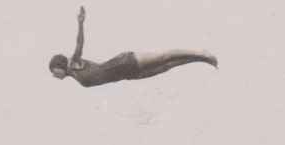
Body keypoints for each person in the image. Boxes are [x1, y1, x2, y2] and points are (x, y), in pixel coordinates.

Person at [49, 7, 217, 87]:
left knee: (165, 57)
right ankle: (200, 59)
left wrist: (80, 24)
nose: (54, 76)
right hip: (129, 74)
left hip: (125, 62)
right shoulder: (73, 75)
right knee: (168, 66)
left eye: (53, 71)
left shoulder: (73, 64)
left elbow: (79, 45)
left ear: (60, 66)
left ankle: (200, 53)